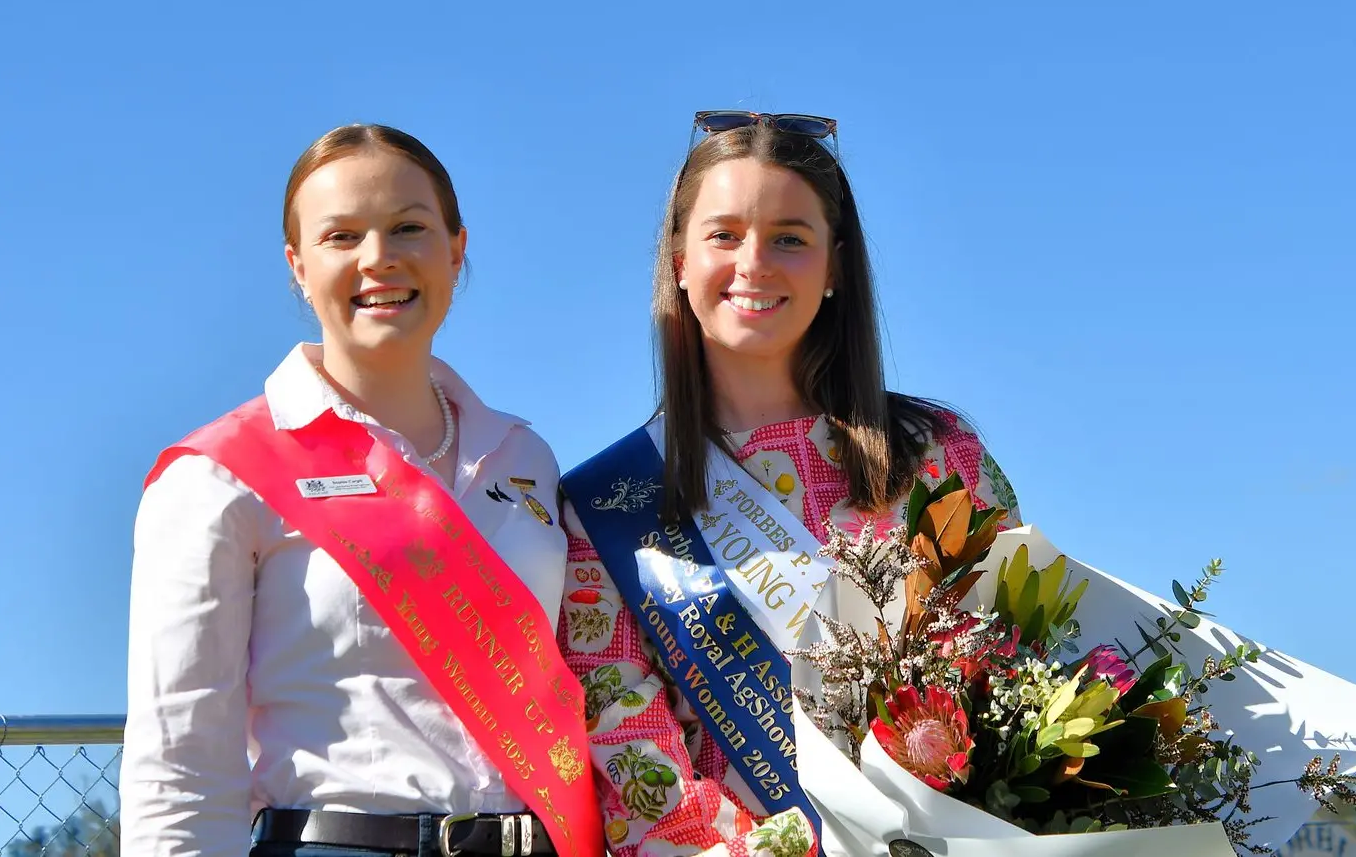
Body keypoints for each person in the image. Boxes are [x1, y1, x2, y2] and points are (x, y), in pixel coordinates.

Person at [121, 124, 602, 857]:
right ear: (297, 267)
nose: (379, 258)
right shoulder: (218, 476)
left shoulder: (524, 457)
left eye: (409, 227)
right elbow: (179, 764)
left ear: (456, 250)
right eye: (341, 237)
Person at [557, 112, 1023, 857]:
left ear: (834, 266)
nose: (754, 263)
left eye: (789, 238)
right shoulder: (606, 506)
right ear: (678, 259)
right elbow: (629, 740)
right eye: (723, 235)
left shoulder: (938, 459)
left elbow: (1014, 668)